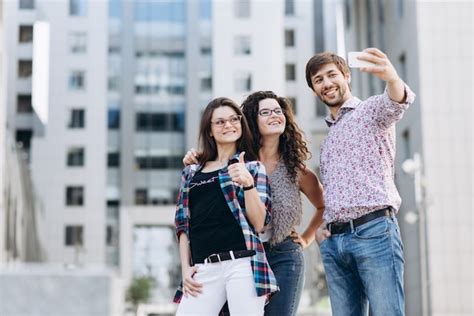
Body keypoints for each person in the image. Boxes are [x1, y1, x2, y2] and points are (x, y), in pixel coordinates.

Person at [184, 91, 325, 316]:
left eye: (278, 111)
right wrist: (196, 158)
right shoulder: (239, 161)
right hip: (240, 255)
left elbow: (323, 206)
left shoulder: (296, 170)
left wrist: (307, 238)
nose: (274, 116)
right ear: (252, 119)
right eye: (266, 112)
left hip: (282, 255)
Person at [306, 48, 416, 316]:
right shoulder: (328, 140)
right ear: (314, 90)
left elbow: (398, 99)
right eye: (318, 80)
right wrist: (322, 229)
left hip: (374, 232)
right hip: (335, 243)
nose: (327, 83)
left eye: (332, 75)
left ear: (346, 76)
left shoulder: (370, 112)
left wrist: (391, 76)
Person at [174, 97, 278, 316]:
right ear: (209, 130)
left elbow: (259, 224)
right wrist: (185, 268)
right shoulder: (191, 172)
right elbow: (183, 224)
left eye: (234, 119)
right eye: (220, 122)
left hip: (243, 265)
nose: (229, 125)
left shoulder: (252, 168)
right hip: (203, 268)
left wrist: (248, 184)